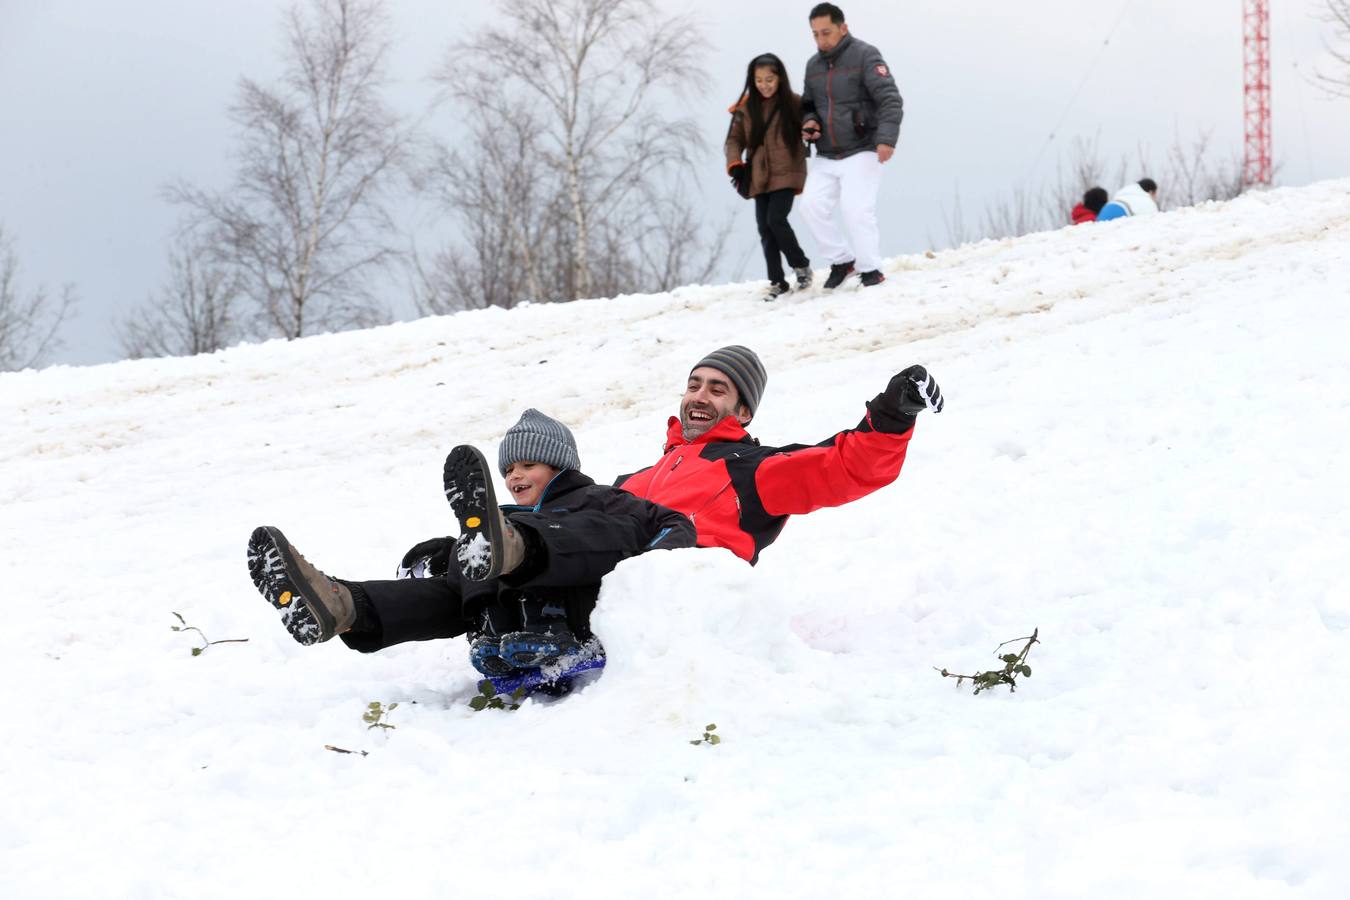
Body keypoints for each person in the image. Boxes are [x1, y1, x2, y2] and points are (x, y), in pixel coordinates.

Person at [246, 409, 696, 675]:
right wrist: (448, 551)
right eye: (508, 471)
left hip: (579, 615)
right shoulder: (508, 517)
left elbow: (672, 525)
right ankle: (343, 606)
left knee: (582, 532)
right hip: (503, 632)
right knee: (464, 565)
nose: (515, 476)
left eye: (528, 465)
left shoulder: (602, 500)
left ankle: (516, 551)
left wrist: (653, 567)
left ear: (560, 465)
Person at [615, 346, 943, 564]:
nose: (699, 397)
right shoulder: (631, 481)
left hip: (677, 593)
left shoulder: (748, 470)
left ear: (743, 411)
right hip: (601, 592)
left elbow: (846, 467)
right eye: (693, 386)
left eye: (716, 391)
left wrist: (894, 413)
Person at [797, 3, 904, 290]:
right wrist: (809, 122)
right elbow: (808, 104)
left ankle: (871, 270)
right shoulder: (813, 65)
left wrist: (885, 139)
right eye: (816, 35)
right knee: (810, 206)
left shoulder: (866, 55)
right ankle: (843, 261)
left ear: (843, 28)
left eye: (827, 33)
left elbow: (890, 99)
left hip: (863, 147)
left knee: (856, 210)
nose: (821, 41)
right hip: (827, 152)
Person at [725, 53, 812, 301]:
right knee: (764, 228)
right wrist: (735, 164)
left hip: (787, 171)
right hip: (758, 175)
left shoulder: (794, 103)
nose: (764, 85)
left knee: (776, 219)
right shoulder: (745, 108)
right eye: (759, 80)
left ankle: (801, 265)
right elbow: (733, 139)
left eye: (770, 79)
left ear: (780, 79)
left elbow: (810, 120)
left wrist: (811, 128)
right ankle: (777, 281)